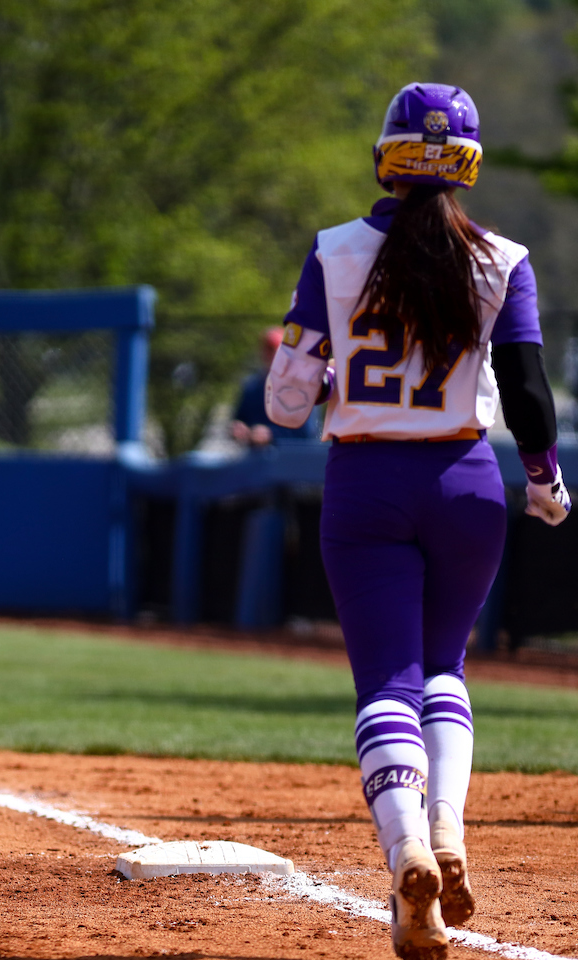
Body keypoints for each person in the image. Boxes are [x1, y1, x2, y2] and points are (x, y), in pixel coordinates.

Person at [265, 83, 570, 960]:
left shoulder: (333, 251)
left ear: (384, 159)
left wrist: (320, 381)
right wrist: (546, 478)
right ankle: (448, 835)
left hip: (367, 482)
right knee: (445, 669)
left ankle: (404, 853)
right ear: (468, 169)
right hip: (466, 480)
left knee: (386, 682)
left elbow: (287, 404)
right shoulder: (504, 258)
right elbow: (526, 388)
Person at [230, 327, 319, 446]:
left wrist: (271, 434)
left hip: (290, 459)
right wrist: (239, 429)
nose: (271, 355)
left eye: (274, 350)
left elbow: (307, 433)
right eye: (267, 349)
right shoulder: (252, 387)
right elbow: (240, 419)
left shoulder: (301, 387)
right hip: (253, 458)